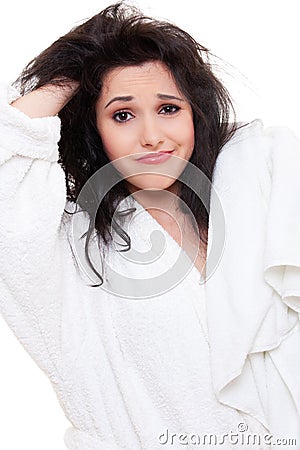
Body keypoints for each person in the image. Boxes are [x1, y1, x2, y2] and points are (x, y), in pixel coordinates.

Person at [0, 2, 299, 449]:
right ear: (92, 128)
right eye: (122, 115)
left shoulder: (256, 197)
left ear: (195, 114)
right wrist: (79, 67)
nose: (151, 136)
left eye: (168, 108)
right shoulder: (69, 249)